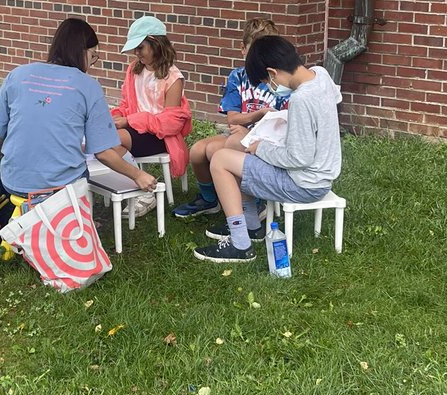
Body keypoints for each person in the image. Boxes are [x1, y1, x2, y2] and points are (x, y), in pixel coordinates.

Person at [192, 35, 342, 264]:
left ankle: (241, 244)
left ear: (273, 73)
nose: (270, 88)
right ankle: (251, 225)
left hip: (303, 183)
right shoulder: (320, 75)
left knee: (221, 160)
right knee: (236, 153)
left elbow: (298, 157)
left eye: (266, 82)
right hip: (321, 176)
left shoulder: (301, 99)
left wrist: (260, 147)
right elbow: (333, 100)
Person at [0, 17, 157, 204]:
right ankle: (76, 220)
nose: (92, 63)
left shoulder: (17, 75)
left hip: (13, 181)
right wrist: (138, 175)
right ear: (81, 52)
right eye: (93, 56)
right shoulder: (88, 86)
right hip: (60, 185)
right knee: (81, 171)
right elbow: (103, 153)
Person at [174, 16, 284, 219]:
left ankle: (253, 203)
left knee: (222, 148)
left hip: (266, 142)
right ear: (243, 49)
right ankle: (210, 200)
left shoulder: (279, 79)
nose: (260, 59)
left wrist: (251, 127)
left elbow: (283, 122)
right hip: (240, 134)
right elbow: (233, 119)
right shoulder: (238, 76)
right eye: (254, 51)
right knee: (198, 150)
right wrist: (260, 113)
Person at [111, 15, 192, 196]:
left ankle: (143, 191)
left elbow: (171, 122)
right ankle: (135, 188)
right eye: (134, 49)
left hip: (160, 136)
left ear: (157, 45)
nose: (136, 53)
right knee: (109, 141)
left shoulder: (173, 77)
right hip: (134, 129)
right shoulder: (134, 69)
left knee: (114, 140)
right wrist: (116, 116)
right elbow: (127, 103)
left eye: (140, 48)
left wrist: (131, 121)